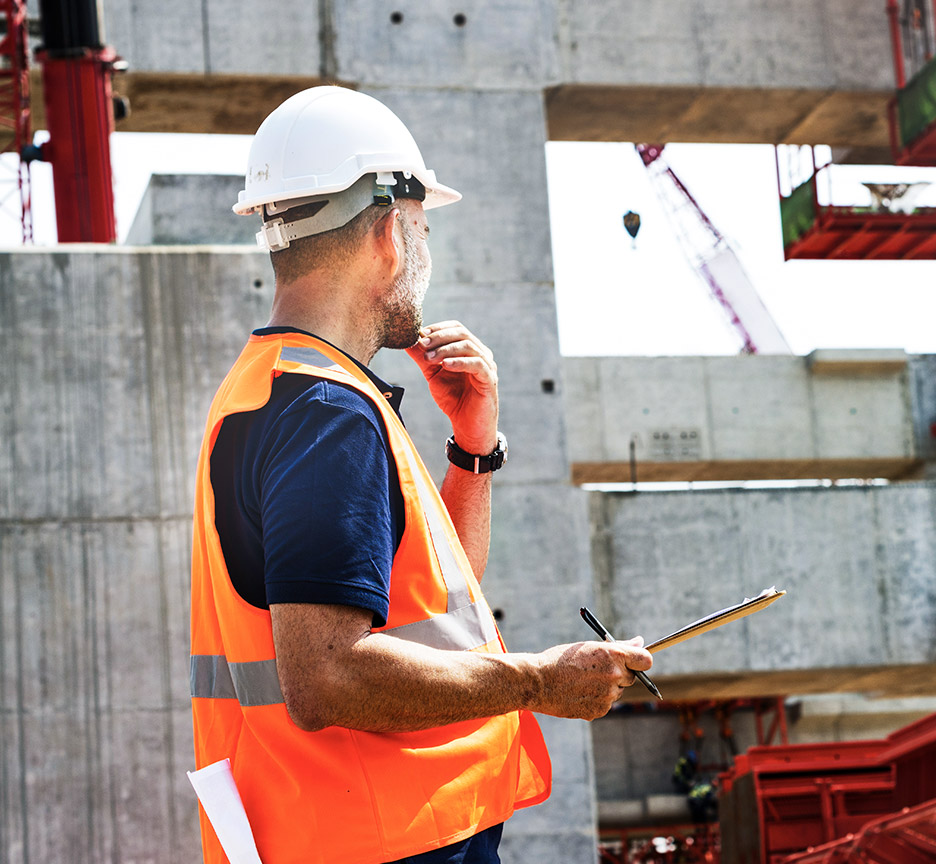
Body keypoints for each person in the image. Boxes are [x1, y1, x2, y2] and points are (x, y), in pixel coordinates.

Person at [188, 86, 653, 864]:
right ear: (388, 232)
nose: (425, 252)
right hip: (377, 841)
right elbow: (327, 674)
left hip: (355, 833)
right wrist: (537, 682)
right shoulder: (326, 411)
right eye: (425, 228)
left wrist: (473, 448)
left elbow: (430, 609)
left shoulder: (280, 385)